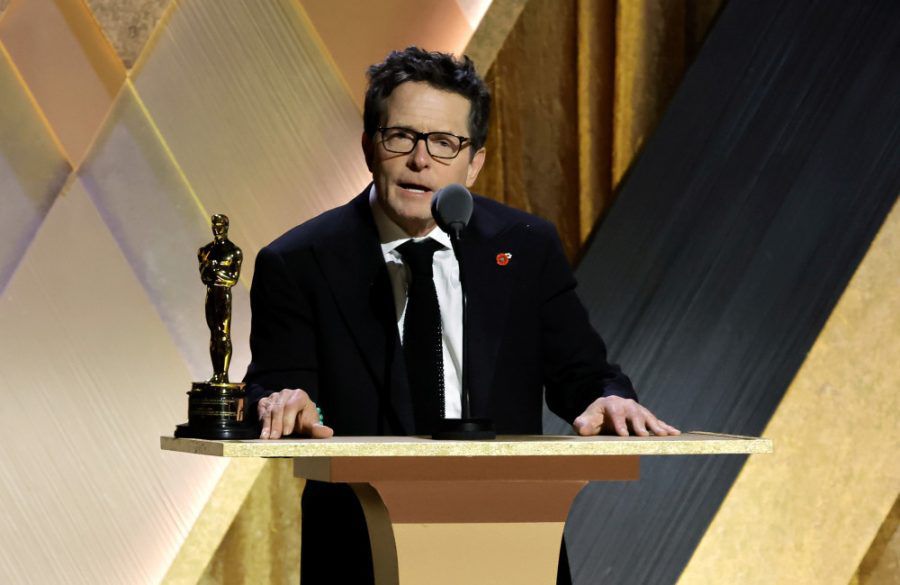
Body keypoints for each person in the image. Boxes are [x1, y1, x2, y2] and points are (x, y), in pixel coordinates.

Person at [243, 47, 679, 584]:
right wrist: (281, 402)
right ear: (367, 146)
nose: (420, 160)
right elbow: (274, 385)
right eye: (399, 136)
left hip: (512, 544)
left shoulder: (524, 247)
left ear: (474, 164)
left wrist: (608, 398)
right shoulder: (299, 262)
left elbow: (582, 373)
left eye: (444, 143)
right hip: (362, 553)